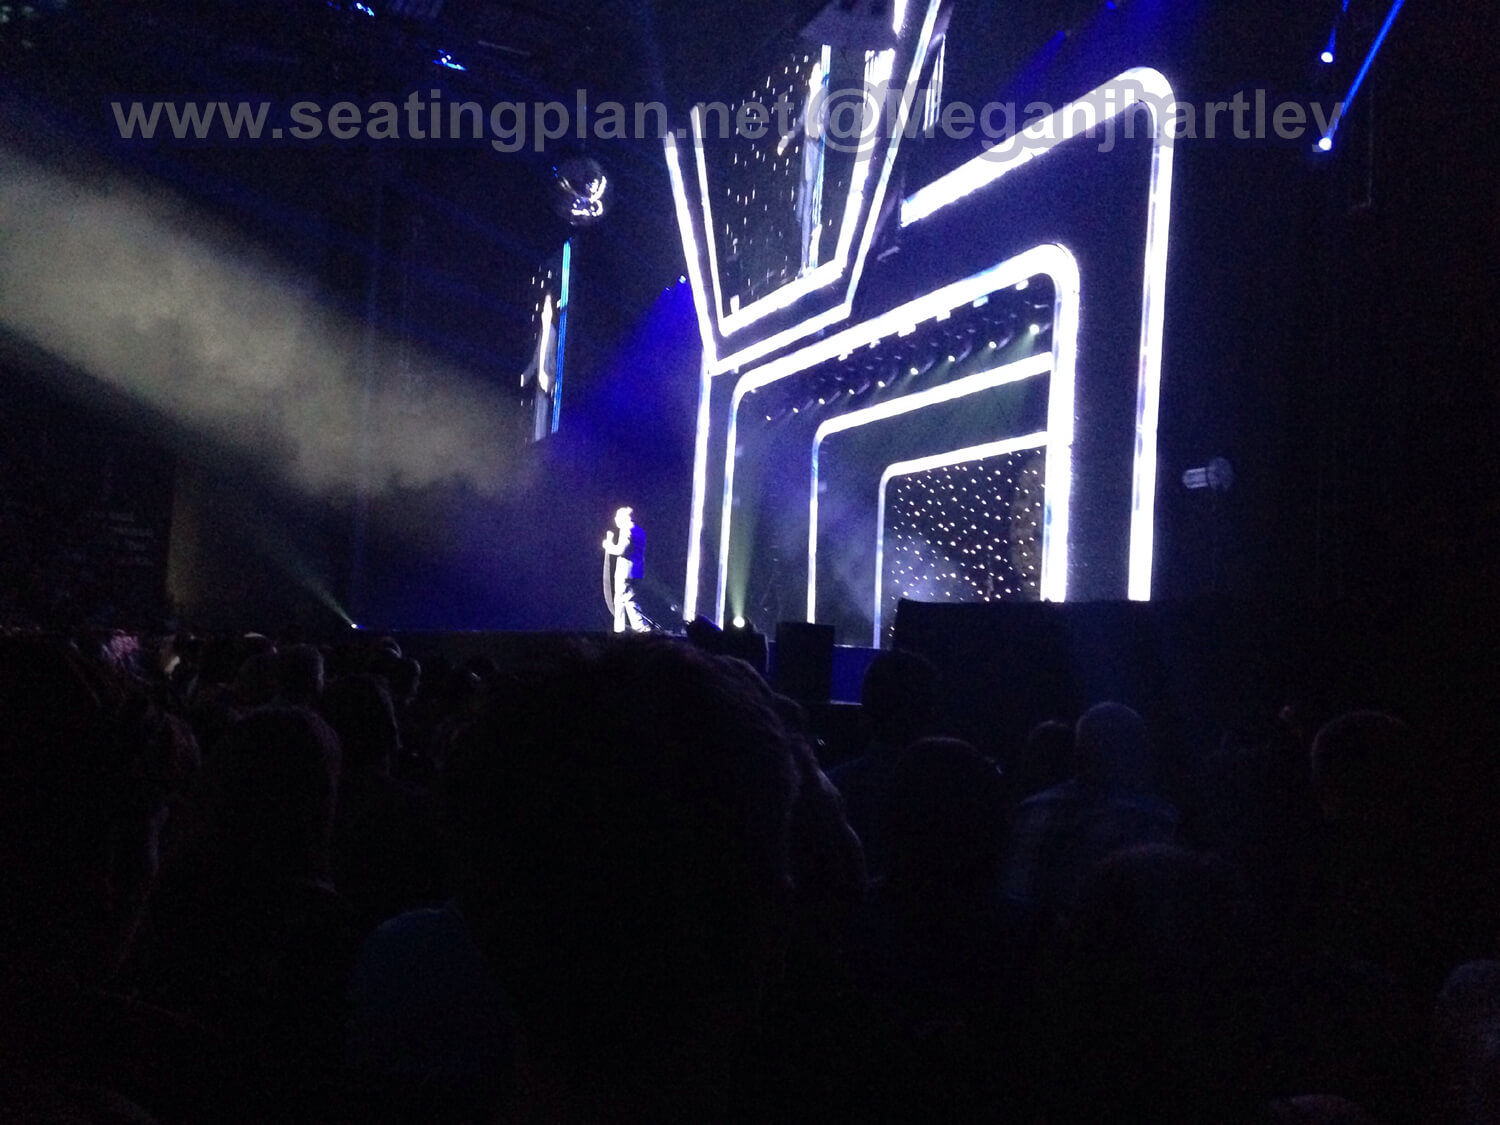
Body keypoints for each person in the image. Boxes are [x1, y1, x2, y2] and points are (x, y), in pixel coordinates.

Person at [602, 506, 648, 633]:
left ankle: (635, 630)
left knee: (624, 600)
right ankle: (634, 629)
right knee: (626, 599)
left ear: (624, 518)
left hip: (625, 571)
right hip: (635, 571)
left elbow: (620, 550)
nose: (615, 519)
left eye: (617, 517)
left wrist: (608, 545)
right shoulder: (640, 531)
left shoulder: (627, 530)